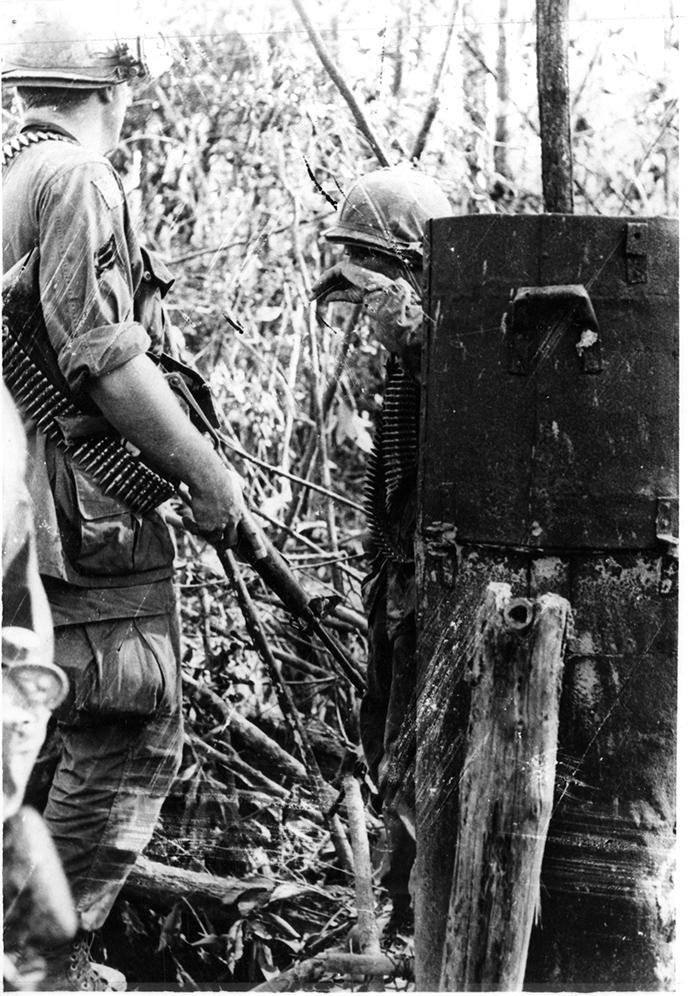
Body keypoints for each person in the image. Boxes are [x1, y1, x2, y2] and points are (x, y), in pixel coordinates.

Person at [2, 5, 260, 989]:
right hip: (78, 515)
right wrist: (207, 474)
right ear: (113, 87)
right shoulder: (75, 177)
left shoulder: (12, 175)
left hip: (26, 509)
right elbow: (105, 360)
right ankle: (42, 962)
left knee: (45, 725)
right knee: (127, 725)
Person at [312, 166, 452, 935]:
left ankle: (413, 916)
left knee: (415, 747)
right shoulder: (412, 361)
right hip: (397, 578)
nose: (364, 306)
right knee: (389, 740)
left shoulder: (453, 356)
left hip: (427, 584)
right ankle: (403, 912)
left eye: (372, 272)